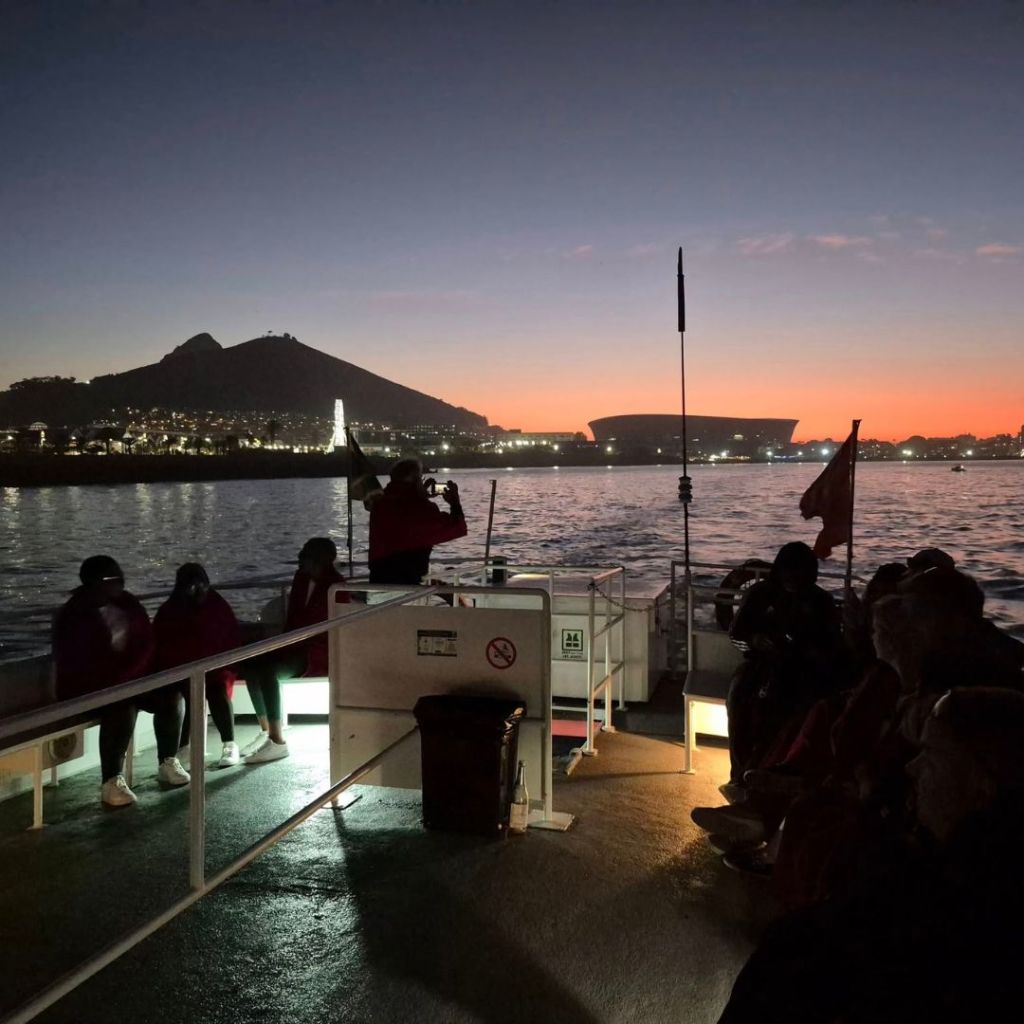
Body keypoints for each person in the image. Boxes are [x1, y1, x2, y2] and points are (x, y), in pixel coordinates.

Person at [717, 687, 1024, 1023]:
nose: (914, 768)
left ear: (981, 786)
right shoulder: (947, 861)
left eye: (933, 757)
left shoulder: (967, 914)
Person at [53, 555, 187, 807]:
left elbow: (148, 641)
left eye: (120, 577)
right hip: (89, 688)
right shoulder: (74, 615)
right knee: (121, 705)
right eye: (112, 579)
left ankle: (168, 760)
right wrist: (122, 679)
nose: (120, 583)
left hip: (133, 679)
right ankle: (111, 780)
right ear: (93, 583)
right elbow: (78, 663)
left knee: (171, 694)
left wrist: (137, 674)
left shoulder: (128, 604)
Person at [724, 541, 843, 790]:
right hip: (760, 664)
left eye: (798, 573)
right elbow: (736, 631)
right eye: (788, 572)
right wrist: (755, 640)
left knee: (794, 710)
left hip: (804, 670)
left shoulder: (821, 602)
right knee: (738, 699)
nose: (791, 579)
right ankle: (739, 771)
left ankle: (778, 773)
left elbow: (831, 646)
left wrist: (804, 650)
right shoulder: (760, 594)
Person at [240, 537, 349, 764]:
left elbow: (337, 628)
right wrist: (282, 643)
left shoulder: (337, 586)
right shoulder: (300, 579)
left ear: (320, 560)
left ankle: (277, 741)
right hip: (292, 643)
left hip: (316, 651)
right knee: (250, 664)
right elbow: (293, 617)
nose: (300, 561)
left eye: (305, 556)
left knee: (270, 674)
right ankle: (266, 730)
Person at [153, 563, 242, 768]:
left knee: (216, 690)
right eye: (192, 585)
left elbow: (229, 637)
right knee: (177, 692)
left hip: (215, 667)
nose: (197, 590)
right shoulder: (171, 609)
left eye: (201, 584)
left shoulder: (217, 606)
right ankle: (181, 747)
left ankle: (229, 743)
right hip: (181, 668)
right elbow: (162, 643)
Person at [368, 459, 467, 586]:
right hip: (406, 588)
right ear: (414, 480)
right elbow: (457, 527)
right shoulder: (420, 508)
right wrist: (454, 502)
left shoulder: (380, 503)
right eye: (420, 478)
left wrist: (420, 493)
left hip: (377, 583)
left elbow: (401, 502)